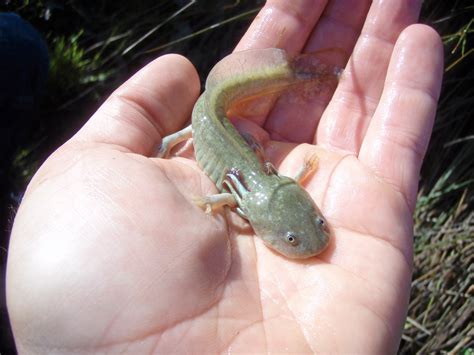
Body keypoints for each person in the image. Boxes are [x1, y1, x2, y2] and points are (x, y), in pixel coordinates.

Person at [6, 1, 443, 353]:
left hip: (241, 151)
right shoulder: (248, 198)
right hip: (207, 124)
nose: (312, 239)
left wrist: (291, 179)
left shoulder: (267, 191)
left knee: (220, 117)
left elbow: (255, 194)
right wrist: (210, 200)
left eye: (316, 224)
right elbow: (228, 199)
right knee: (205, 117)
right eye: (293, 237)